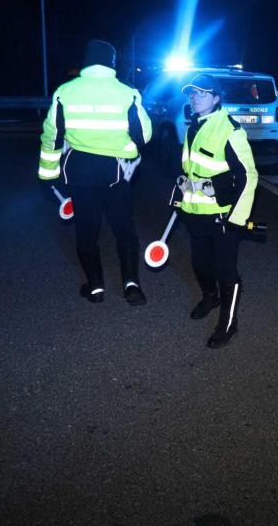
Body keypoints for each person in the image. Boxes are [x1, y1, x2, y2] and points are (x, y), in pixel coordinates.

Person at [38, 40, 152, 305]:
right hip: (116, 173)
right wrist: (126, 150)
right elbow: (143, 135)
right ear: (112, 62)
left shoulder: (64, 92)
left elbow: (52, 138)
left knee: (87, 231)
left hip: (79, 172)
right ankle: (132, 285)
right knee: (124, 229)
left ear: (86, 61)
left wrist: (47, 175)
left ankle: (96, 286)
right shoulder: (128, 93)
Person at [176, 73, 258, 348]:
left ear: (216, 98)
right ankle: (210, 297)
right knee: (200, 263)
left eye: (202, 93)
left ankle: (228, 322)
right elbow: (192, 169)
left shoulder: (230, 129)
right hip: (195, 212)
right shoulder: (192, 126)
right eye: (192, 93)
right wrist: (183, 191)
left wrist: (236, 218)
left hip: (223, 215)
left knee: (226, 270)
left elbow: (248, 176)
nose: (195, 97)